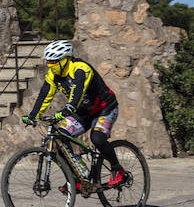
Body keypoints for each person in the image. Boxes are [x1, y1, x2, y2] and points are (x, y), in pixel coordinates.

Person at [20, 40, 126, 188]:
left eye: (54, 62)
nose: (50, 66)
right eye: (48, 63)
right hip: (82, 112)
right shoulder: (53, 75)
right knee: (60, 139)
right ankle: (79, 175)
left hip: (105, 108)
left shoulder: (80, 69)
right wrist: (33, 116)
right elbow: (45, 96)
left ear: (65, 60)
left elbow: (78, 90)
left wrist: (68, 108)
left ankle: (117, 169)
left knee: (98, 139)